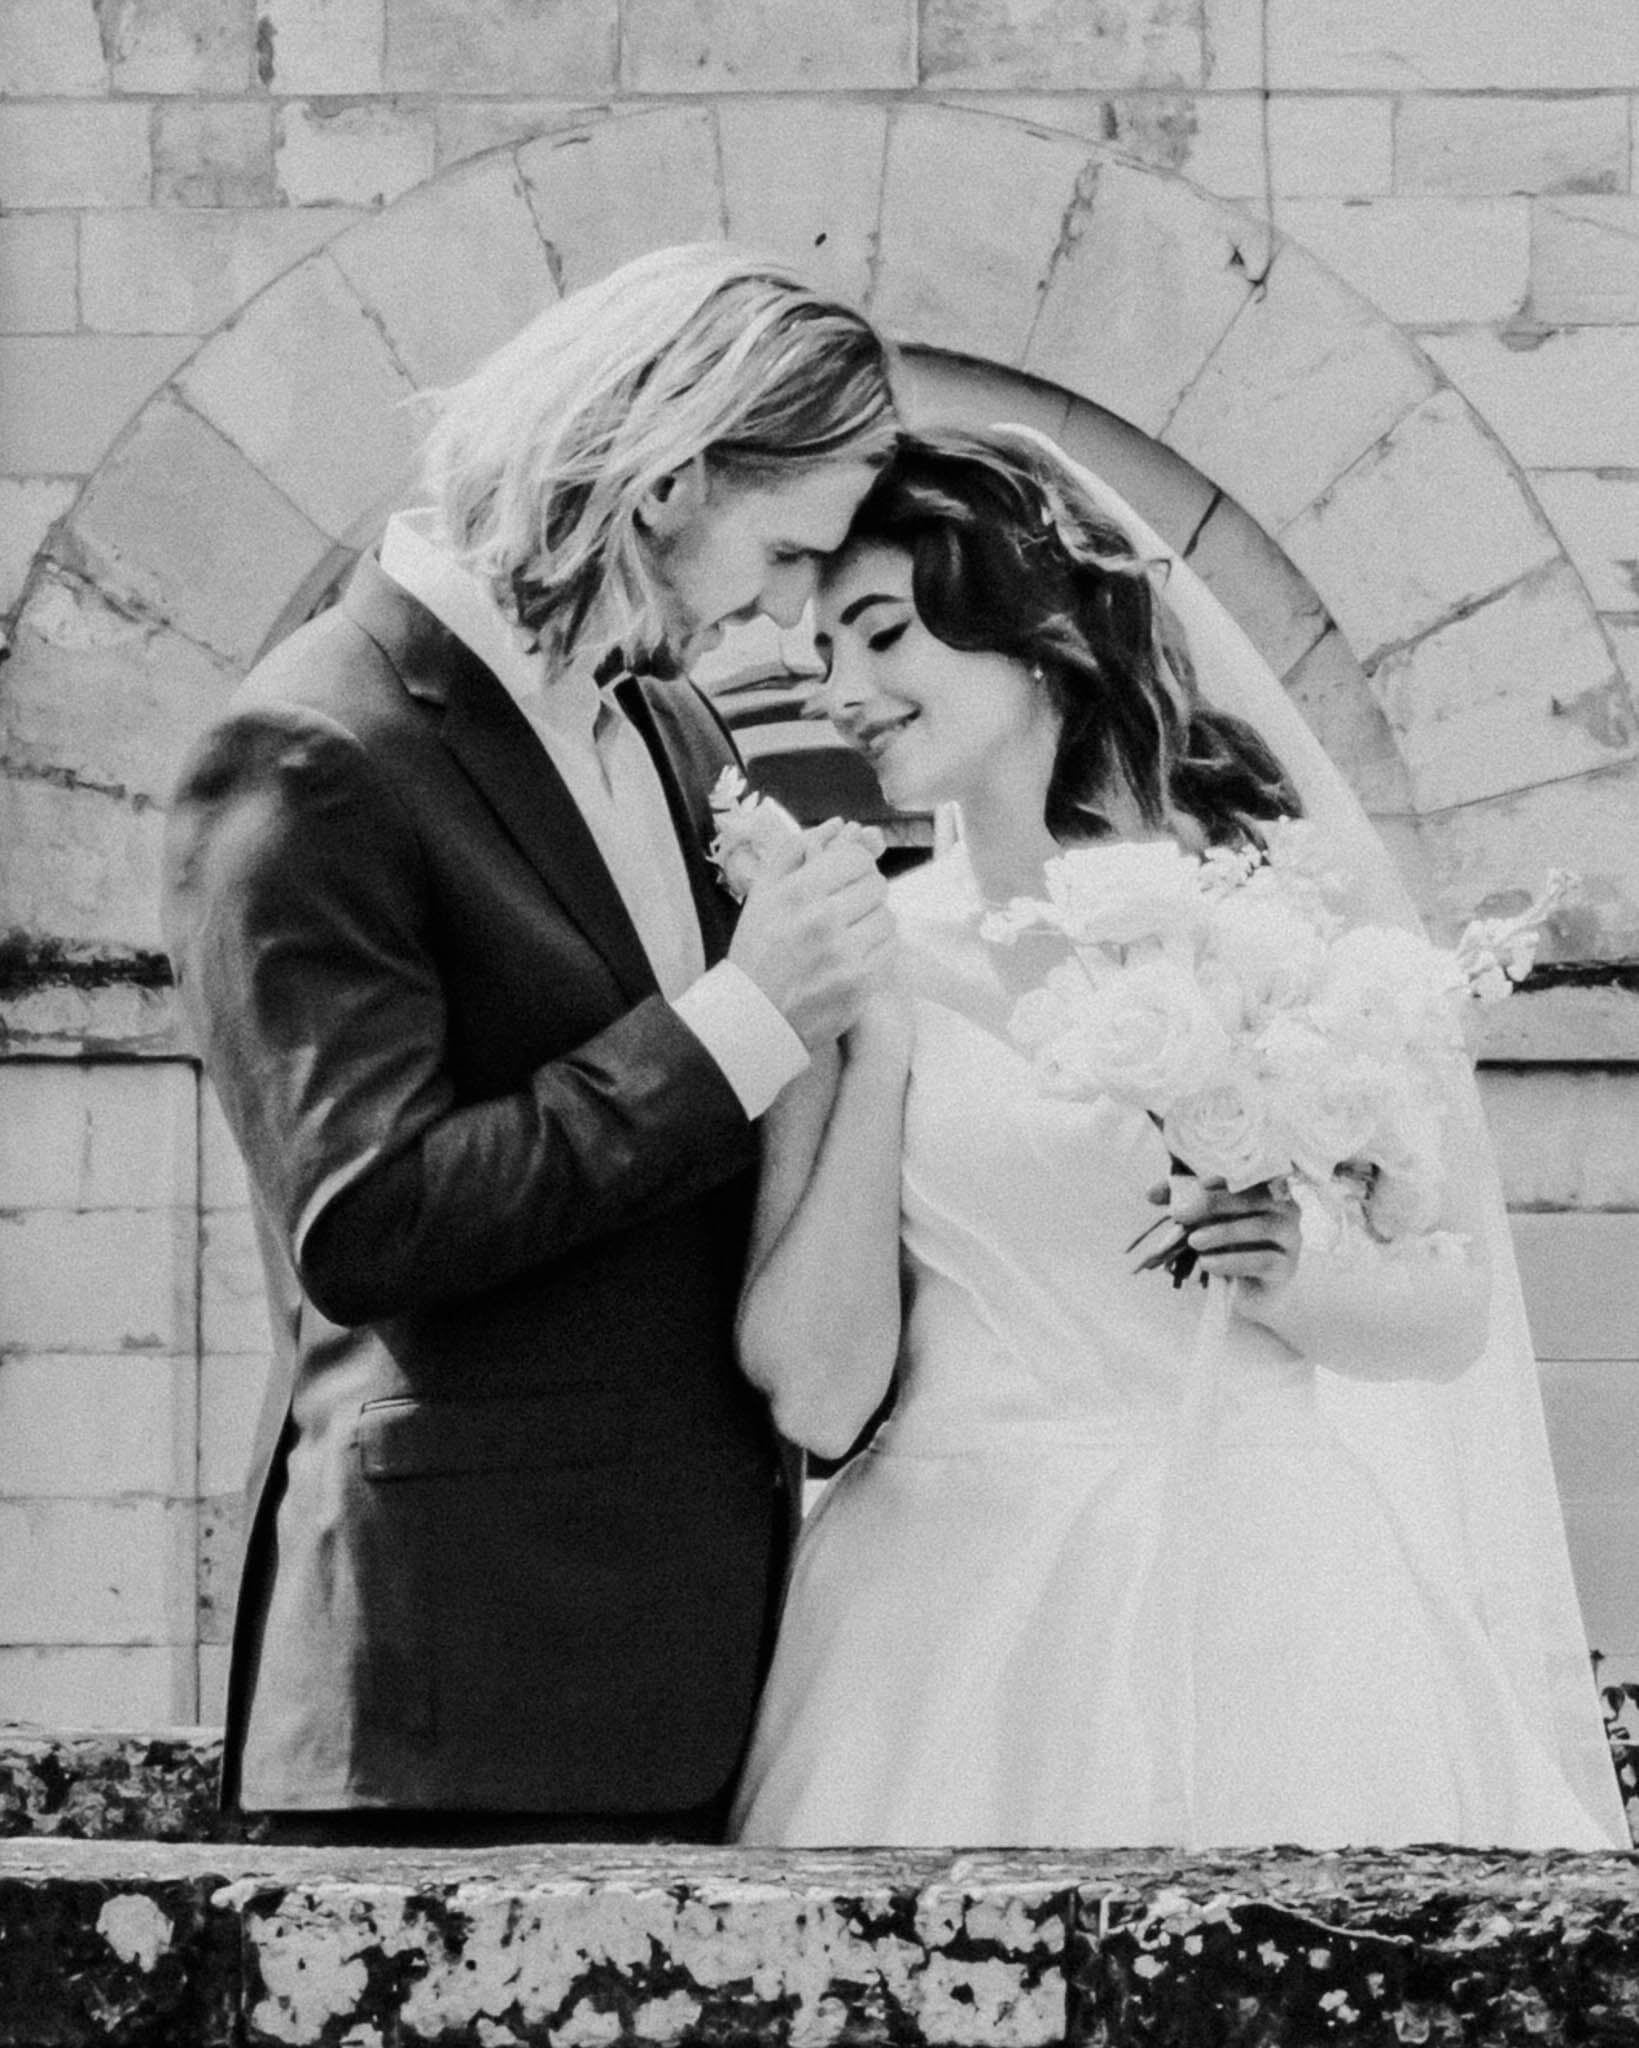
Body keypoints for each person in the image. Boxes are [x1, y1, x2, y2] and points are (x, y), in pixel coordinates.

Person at [729, 425, 1628, 1850]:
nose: (842, 692)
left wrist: (1293, 1277)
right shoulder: (854, 954)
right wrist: (880, 1049)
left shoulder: (1267, 922)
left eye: (881, 633)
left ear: (1027, 632)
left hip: (1274, 1601)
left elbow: (1447, 1310)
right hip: (944, 1620)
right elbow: (814, 1395)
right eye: (818, 655)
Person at [161, 244, 901, 1844]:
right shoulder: (310, 752)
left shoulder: (666, 722)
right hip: (458, 1700)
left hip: (718, 1669)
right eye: (784, 553)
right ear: (665, 484)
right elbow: (367, 1221)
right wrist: (742, 1021)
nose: (786, 619)